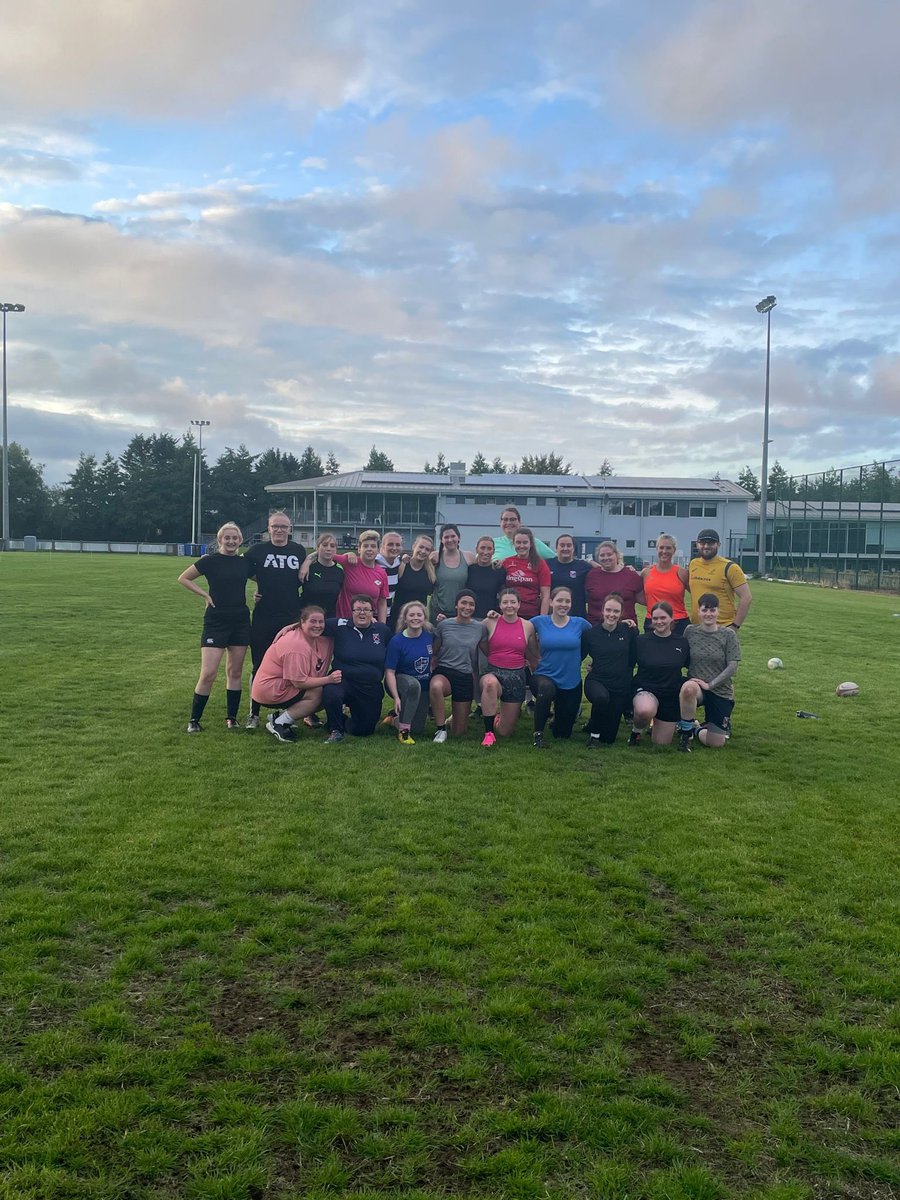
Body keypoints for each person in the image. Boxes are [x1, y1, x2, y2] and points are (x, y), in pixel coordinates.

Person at [178, 521, 250, 732]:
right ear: (220, 540)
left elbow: (261, 579)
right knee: (208, 673)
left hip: (240, 620)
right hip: (216, 621)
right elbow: (184, 578)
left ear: (240, 540)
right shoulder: (209, 561)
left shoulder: (244, 563)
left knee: (234, 671)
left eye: (235, 538)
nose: (231, 541)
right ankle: (194, 720)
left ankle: (232, 717)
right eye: (227, 538)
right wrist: (205, 594)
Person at [243, 511, 307, 730]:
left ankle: (286, 711)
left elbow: (311, 561)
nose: (279, 530)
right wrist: (258, 587)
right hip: (264, 617)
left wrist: (308, 562)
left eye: (283, 526)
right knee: (259, 664)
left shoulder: (298, 550)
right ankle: (254, 712)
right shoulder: (257, 550)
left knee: (290, 667)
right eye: (275, 526)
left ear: (290, 529)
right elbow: (241, 570)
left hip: (290, 617)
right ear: (268, 529)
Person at [251, 606, 339, 742]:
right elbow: (299, 682)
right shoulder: (296, 645)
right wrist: (329, 679)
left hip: (285, 684)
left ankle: (281, 716)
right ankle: (279, 723)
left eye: (321, 622)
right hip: (269, 689)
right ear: (302, 622)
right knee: (319, 693)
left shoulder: (322, 638)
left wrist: (372, 620)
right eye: (313, 621)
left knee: (327, 692)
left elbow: (346, 623)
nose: (317, 625)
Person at [321, 595, 391, 742]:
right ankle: (336, 730)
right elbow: (313, 625)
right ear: (351, 611)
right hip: (343, 680)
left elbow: (397, 648)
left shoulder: (382, 630)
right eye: (358, 609)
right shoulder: (340, 625)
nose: (362, 613)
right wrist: (292, 627)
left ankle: (341, 719)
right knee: (331, 691)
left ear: (373, 612)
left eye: (366, 609)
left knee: (364, 730)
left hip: (369, 685)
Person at [677, 594, 741, 751]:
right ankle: (685, 734)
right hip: (697, 687)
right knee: (688, 689)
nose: (708, 614)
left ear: (718, 612)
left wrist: (710, 684)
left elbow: (733, 666)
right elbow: (680, 655)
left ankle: (696, 728)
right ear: (698, 611)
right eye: (705, 610)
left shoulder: (728, 634)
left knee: (716, 743)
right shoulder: (690, 631)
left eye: (712, 610)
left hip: (720, 690)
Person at [529, 586, 591, 747]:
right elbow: (516, 627)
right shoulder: (539, 621)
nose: (563, 604)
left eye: (567, 601)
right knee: (547, 689)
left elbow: (600, 636)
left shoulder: (580, 623)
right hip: (544, 676)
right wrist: (493, 617)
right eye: (559, 600)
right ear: (550, 602)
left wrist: (625, 623)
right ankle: (538, 734)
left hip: (571, 680)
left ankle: (560, 718)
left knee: (562, 734)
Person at [478, 588, 539, 747]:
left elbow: (533, 653)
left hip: (517, 676)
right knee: (489, 684)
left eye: (513, 602)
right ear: (499, 605)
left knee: (505, 732)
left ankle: (497, 717)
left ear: (519, 604)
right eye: (505, 602)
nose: (509, 605)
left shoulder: (528, 626)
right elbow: (481, 642)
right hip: (494, 672)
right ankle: (488, 732)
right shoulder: (489, 622)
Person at [628, 601, 690, 747]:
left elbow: (690, 665)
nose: (659, 621)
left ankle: (667, 723)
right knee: (645, 710)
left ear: (671, 619)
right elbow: (626, 663)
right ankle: (636, 731)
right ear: (651, 620)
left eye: (663, 618)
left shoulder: (681, 642)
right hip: (646, 688)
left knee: (661, 743)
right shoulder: (641, 641)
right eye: (655, 618)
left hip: (670, 694)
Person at [581, 593, 638, 748]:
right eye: (608, 610)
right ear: (602, 610)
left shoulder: (629, 631)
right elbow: (579, 656)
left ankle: (594, 723)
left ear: (621, 613)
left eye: (616, 611)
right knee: (601, 697)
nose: (611, 614)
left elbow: (632, 659)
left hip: (619, 685)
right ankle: (593, 737)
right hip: (597, 681)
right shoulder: (591, 634)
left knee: (609, 738)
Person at [429, 589, 483, 742]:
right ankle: (440, 729)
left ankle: (453, 720)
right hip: (445, 672)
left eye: (471, 604)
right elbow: (434, 651)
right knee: (436, 686)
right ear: (456, 605)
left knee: (459, 733)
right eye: (463, 603)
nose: (467, 607)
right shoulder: (444, 625)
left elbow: (488, 649)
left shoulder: (480, 628)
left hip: (465, 675)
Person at [384, 602, 434, 744]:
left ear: (424, 618)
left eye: (419, 614)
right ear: (405, 619)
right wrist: (396, 697)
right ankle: (403, 732)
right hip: (401, 682)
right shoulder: (397, 641)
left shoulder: (429, 636)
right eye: (411, 615)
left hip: (423, 685)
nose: (415, 618)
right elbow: (389, 671)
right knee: (413, 685)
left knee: (417, 728)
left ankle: (394, 719)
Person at [688, 529, 752, 629]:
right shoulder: (693, 564)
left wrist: (735, 626)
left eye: (711, 543)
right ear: (697, 544)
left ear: (718, 545)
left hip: (722, 627)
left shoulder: (730, 567)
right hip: (697, 628)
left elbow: (746, 597)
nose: (706, 546)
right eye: (702, 543)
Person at [327, 529, 390, 622]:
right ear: (359, 549)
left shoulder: (381, 573)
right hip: (344, 622)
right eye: (365, 546)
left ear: (378, 550)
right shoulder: (350, 562)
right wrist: (307, 562)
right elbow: (325, 554)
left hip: (367, 624)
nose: (369, 549)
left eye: (373, 546)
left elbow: (382, 602)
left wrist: (382, 626)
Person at [585, 540, 645, 626]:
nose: (606, 558)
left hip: (626, 628)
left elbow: (644, 600)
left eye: (609, 554)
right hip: (596, 628)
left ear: (617, 555)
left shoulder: (631, 576)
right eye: (602, 555)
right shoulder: (591, 575)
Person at [499, 527, 551, 619]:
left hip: (531, 615)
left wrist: (542, 619)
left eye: (525, 542)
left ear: (530, 544)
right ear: (513, 543)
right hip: (509, 614)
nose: (521, 546)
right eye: (518, 542)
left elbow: (545, 595)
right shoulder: (506, 562)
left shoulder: (540, 564)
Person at [642, 533, 689, 634]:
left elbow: (696, 593)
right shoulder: (646, 573)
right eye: (661, 547)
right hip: (653, 621)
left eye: (668, 548)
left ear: (674, 550)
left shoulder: (682, 573)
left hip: (678, 623)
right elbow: (635, 593)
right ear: (657, 549)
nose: (664, 551)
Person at [390, 536, 435, 632]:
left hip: (418, 620)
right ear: (414, 546)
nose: (423, 551)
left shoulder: (431, 571)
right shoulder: (402, 564)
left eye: (427, 549)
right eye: (421, 547)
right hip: (398, 618)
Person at [430, 524, 475, 621]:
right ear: (441, 540)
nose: (450, 540)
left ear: (458, 538)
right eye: (446, 537)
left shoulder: (469, 557)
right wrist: (404, 560)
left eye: (453, 536)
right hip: (438, 611)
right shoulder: (435, 557)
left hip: (461, 612)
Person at [300, 532, 344, 618]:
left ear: (336, 549)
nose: (328, 548)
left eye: (332, 546)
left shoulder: (339, 571)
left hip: (330, 619)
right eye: (324, 545)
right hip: (309, 619)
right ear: (317, 548)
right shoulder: (308, 568)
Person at [548, 534, 592, 619]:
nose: (565, 548)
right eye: (562, 545)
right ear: (556, 548)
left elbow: (601, 571)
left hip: (577, 616)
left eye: (569, 545)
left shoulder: (584, 567)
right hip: (553, 616)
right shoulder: (547, 565)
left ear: (573, 548)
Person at [466, 536, 501, 618]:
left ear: (493, 551)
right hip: (470, 617)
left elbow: (502, 595)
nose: (485, 552)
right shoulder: (470, 569)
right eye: (482, 548)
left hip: (492, 617)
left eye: (489, 548)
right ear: (476, 549)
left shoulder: (499, 571)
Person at [376, 531, 404, 617]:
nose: (394, 548)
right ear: (382, 546)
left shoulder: (399, 562)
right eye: (390, 544)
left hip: (390, 614)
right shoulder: (374, 562)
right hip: (373, 615)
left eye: (398, 545)